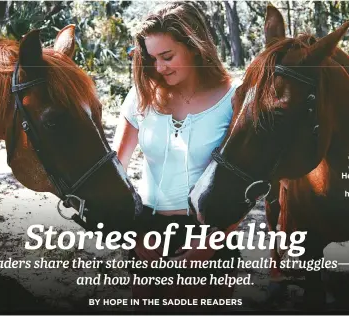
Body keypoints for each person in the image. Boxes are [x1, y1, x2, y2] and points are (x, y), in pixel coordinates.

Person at [112, 1, 240, 311]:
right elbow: (116, 172)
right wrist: (134, 234)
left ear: (195, 46)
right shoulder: (140, 95)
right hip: (148, 230)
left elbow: (245, 182)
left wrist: (214, 241)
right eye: (152, 58)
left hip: (209, 233)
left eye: (167, 57)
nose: (158, 68)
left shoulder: (235, 98)